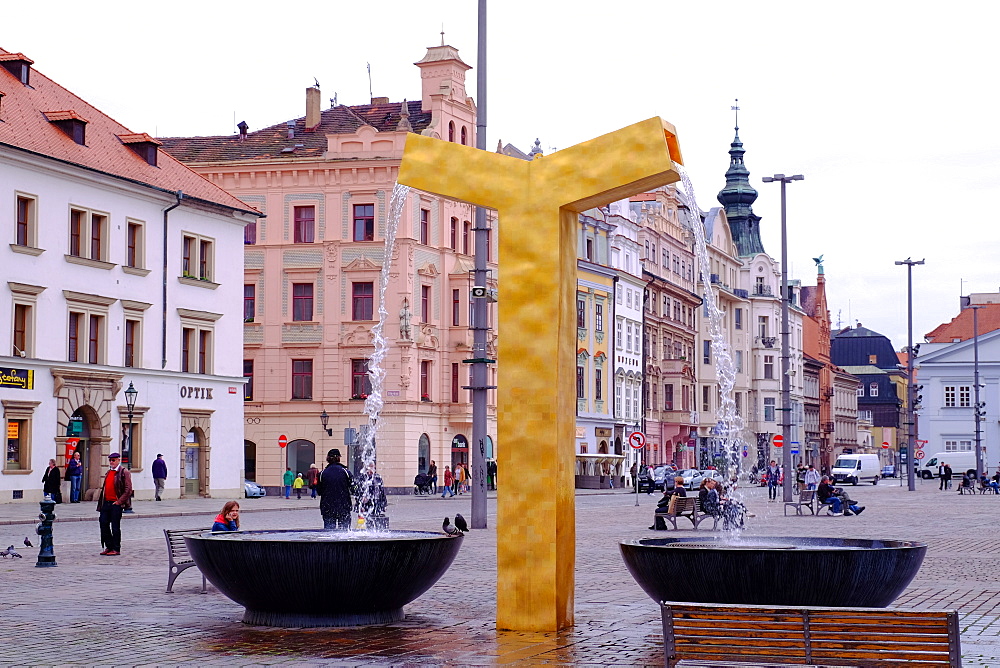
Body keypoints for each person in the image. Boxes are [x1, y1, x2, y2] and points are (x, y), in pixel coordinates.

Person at [96, 452, 133, 555]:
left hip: (116, 503)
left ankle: (116, 548)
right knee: (103, 524)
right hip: (106, 502)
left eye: (113, 460)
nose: (111, 462)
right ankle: (109, 546)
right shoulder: (108, 472)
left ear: (118, 460)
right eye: (110, 460)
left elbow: (128, 489)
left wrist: (119, 501)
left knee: (115, 527)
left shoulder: (124, 472)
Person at [317, 449, 352, 530]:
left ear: (328, 458)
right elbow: (353, 488)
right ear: (339, 458)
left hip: (327, 507)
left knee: (329, 533)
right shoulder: (346, 472)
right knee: (344, 532)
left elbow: (319, 491)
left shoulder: (322, 473)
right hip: (344, 506)